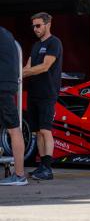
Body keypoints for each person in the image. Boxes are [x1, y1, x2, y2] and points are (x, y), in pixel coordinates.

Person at [23, 12, 63, 180]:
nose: (35, 29)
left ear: (48, 24)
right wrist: (19, 74)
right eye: (33, 26)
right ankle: (42, 167)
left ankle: (48, 168)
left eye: (38, 25)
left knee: (46, 130)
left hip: (47, 93)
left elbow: (45, 66)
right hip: (33, 93)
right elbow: (29, 66)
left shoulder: (54, 43)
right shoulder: (35, 46)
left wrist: (21, 73)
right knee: (37, 131)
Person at [0, 26, 28, 186]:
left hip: (1, 85)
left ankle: (19, 175)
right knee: (14, 128)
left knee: (13, 129)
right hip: (8, 85)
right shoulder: (8, 34)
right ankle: (18, 174)